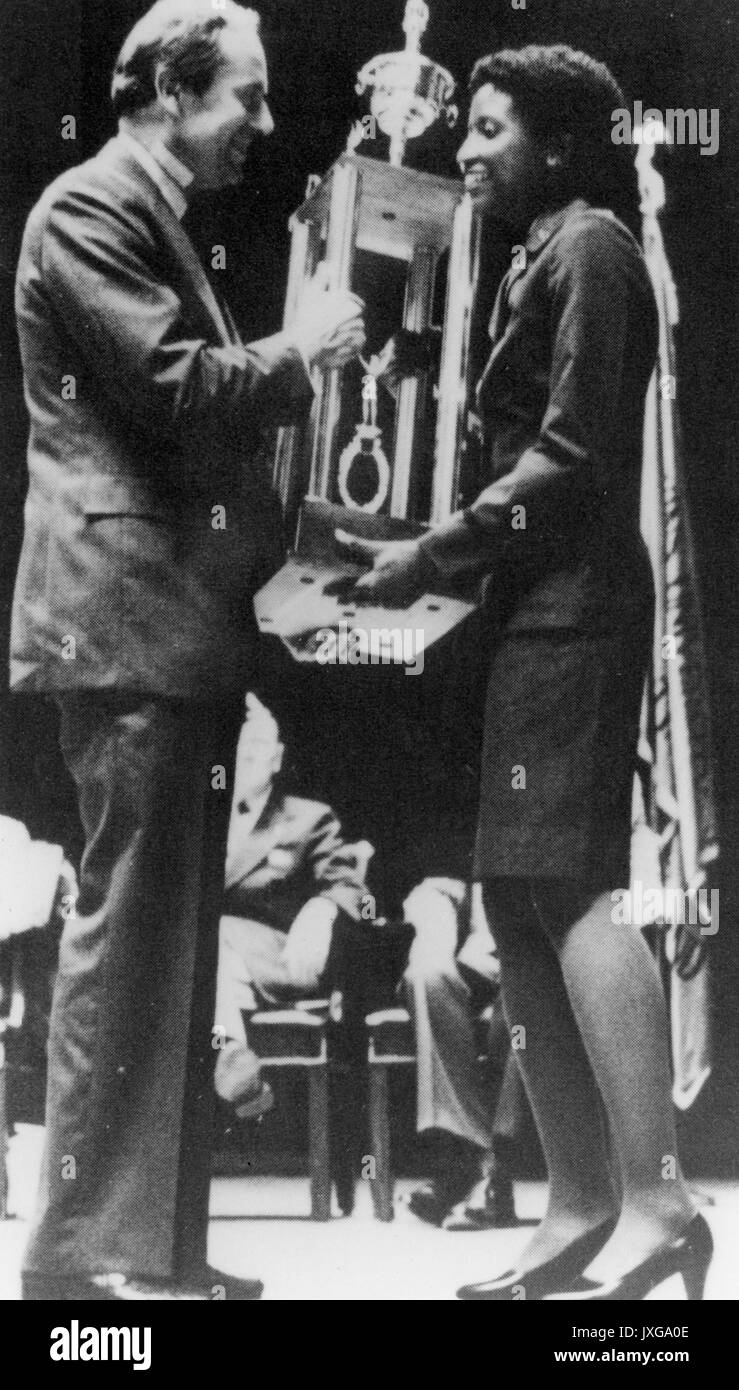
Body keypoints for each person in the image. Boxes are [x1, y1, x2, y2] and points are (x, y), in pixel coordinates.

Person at [338, 44, 711, 1301]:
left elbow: (569, 458)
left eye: (490, 128)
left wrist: (433, 551)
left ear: (560, 142)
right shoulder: (540, 257)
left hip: (574, 619)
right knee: (512, 899)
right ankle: (580, 1202)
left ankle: (657, 1199)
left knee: (569, 881)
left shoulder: (595, 248)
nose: (466, 150)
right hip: (527, 619)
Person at [10, 0, 364, 1302]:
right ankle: (81, 1260)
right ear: (169, 86)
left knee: (175, 953)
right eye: (247, 98)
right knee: (128, 942)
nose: (262, 128)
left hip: (177, 634)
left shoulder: (147, 221)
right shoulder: (92, 209)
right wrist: (298, 349)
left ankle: (150, 1247)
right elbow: (172, 388)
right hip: (127, 632)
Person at [214, 694, 370, 1116]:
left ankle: (229, 1053)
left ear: (277, 758)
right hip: (207, 969)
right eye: (237, 746)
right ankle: (235, 1064)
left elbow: (352, 889)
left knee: (216, 932)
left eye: (257, 748)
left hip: (286, 961)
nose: (245, 756)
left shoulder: (308, 818)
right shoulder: (201, 816)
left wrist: (322, 910)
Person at [401, 878, 527, 1230]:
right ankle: (469, 1162)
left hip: (549, 943)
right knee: (428, 976)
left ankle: (494, 1172)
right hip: (478, 935)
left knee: (523, 991)